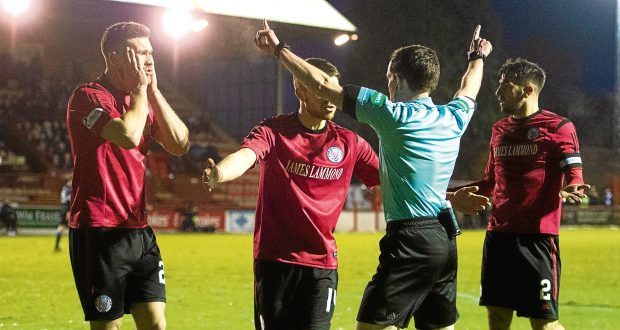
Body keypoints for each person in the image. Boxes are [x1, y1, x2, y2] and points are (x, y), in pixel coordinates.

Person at [254, 20, 492, 330]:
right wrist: (478, 57)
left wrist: (279, 50)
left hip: (409, 239)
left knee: (370, 327)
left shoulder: (392, 115)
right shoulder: (454, 115)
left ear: (396, 77)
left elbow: (324, 86)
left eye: (389, 76)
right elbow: (469, 87)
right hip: (445, 239)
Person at [202, 57, 381, 329]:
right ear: (300, 90)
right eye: (320, 89)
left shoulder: (350, 142)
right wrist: (220, 173)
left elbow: (391, 184)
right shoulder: (274, 131)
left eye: (334, 90)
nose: (331, 98)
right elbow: (246, 155)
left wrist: (447, 198)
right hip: (275, 262)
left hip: (322, 264)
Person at [449, 58, 590, 330]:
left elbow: (573, 168)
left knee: (544, 323)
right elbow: (491, 180)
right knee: (497, 318)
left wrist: (574, 183)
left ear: (527, 90)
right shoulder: (499, 129)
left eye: (505, 86)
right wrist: (447, 193)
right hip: (498, 237)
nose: (498, 92)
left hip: (537, 239)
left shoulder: (559, 127)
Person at [66, 21, 190, 329]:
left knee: (156, 324)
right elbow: (127, 136)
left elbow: (180, 144)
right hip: (99, 230)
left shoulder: (144, 100)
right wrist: (139, 91)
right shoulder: (88, 97)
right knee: (109, 326)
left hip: (138, 229)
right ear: (116, 56)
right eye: (141, 53)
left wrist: (154, 92)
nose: (149, 60)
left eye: (151, 53)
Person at [54, 176, 72, 252]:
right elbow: (69, 200)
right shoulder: (70, 188)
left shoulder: (64, 187)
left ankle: (56, 246)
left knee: (61, 226)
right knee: (70, 227)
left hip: (62, 207)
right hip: (67, 208)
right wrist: (68, 211)